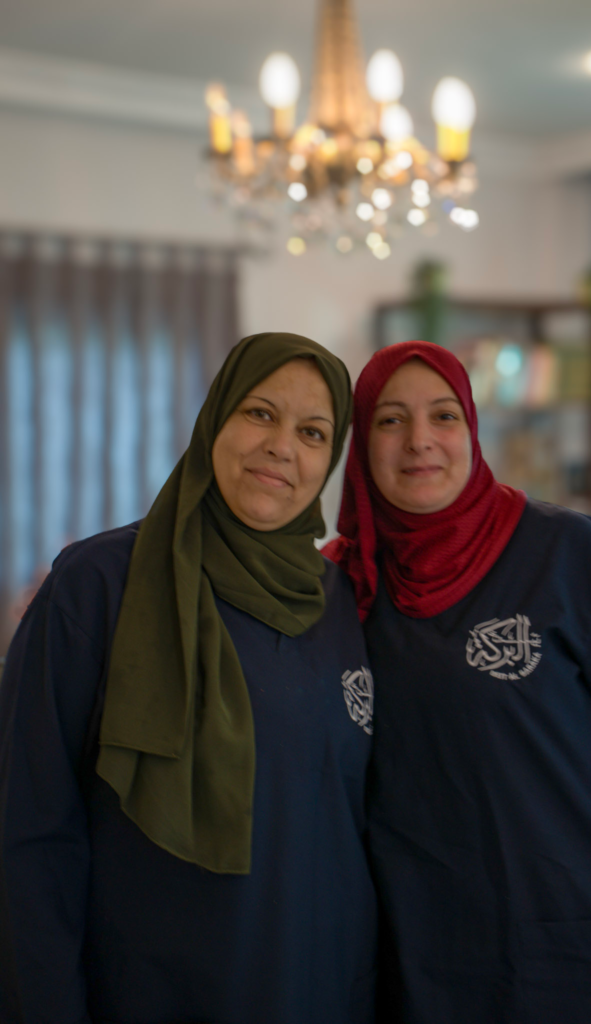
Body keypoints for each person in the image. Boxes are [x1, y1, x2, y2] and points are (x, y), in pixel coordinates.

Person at [0, 332, 377, 1024]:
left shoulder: (344, 602)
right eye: (260, 413)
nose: (282, 447)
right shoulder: (99, 586)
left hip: (317, 990)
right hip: (150, 993)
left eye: (314, 432)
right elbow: (28, 829)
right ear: (216, 419)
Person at [324, 339, 591, 1024]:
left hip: (589, 957)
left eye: (443, 416)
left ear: (472, 429)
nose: (419, 441)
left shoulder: (567, 553)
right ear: (361, 443)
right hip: (427, 969)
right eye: (391, 420)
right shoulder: (342, 589)